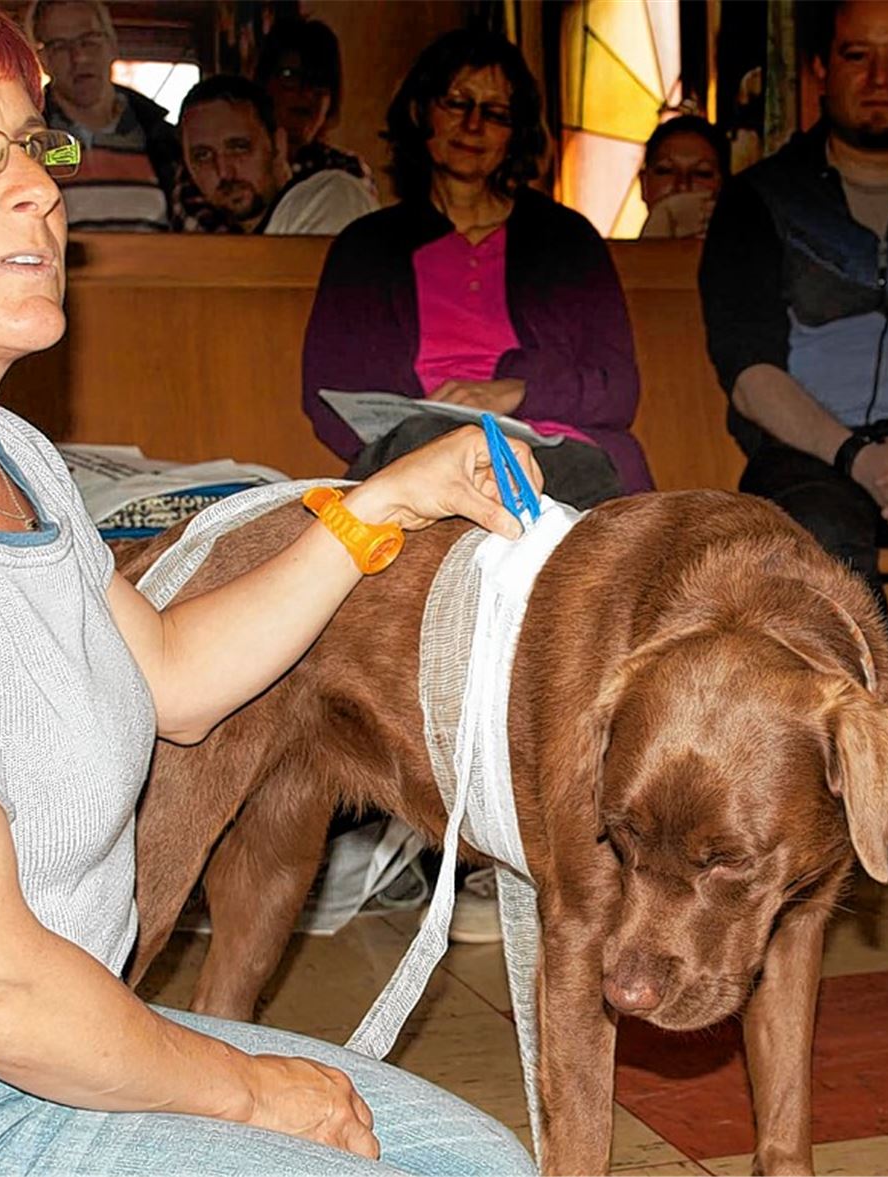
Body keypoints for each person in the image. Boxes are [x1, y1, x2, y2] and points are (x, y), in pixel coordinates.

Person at [0, 3, 540, 1174]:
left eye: (33, 141)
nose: (39, 189)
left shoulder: (13, 458)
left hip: (55, 1043)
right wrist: (253, 1091)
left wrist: (379, 508)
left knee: (483, 1162)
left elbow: (173, 680)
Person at [302, 28, 652, 943]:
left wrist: (514, 394)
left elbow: (617, 385)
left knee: (562, 548)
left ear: (518, 132)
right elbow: (329, 398)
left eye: (495, 111)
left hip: (557, 450)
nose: (472, 125)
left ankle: (533, 841)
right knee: (427, 509)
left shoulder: (566, 241)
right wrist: (444, 426)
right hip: (419, 450)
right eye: (456, 102)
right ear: (421, 111)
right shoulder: (371, 245)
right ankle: (432, 824)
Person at [699, 0, 888, 852]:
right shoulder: (758, 200)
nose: (880, 80)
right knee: (820, 532)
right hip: (810, 450)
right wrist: (855, 454)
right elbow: (749, 370)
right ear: (819, 69)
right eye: (857, 56)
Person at [25, 0, 181, 231]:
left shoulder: (162, 138)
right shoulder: (28, 140)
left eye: (89, 41)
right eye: (59, 46)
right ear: (43, 59)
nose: (79, 57)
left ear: (112, 45)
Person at [176, 75, 378, 235]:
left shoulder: (331, 197)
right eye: (202, 156)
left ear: (278, 146)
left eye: (238, 147)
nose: (223, 171)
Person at [253, 17, 376, 194]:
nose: (307, 93)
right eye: (290, 76)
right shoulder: (234, 168)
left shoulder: (346, 171)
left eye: (319, 81)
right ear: (264, 82)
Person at [639, 113, 730, 239]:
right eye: (666, 171)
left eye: (702, 173)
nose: (682, 185)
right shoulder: (610, 256)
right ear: (644, 184)